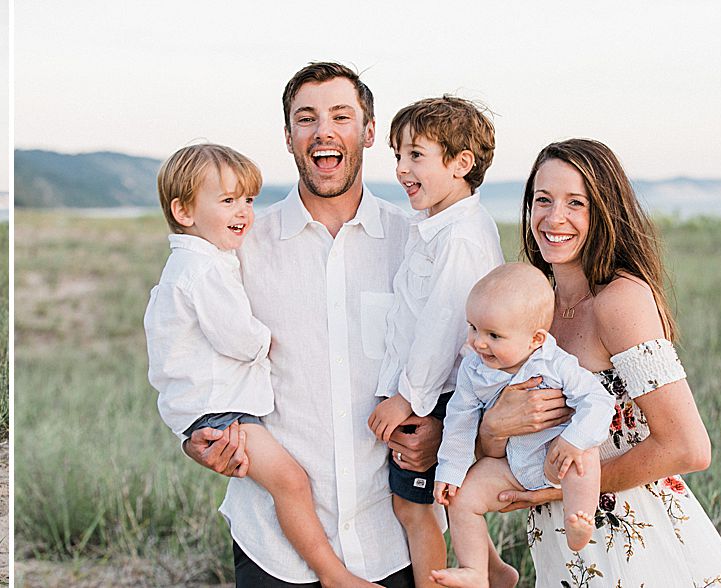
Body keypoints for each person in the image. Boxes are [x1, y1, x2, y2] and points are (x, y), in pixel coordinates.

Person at [183, 62, 515, 587]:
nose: (323, 131)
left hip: (393, 541)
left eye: (341, 116)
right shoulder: (240, 248)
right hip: (274, 543)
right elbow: (193, 357)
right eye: (306, 119)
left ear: (367, 131)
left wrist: (440, 429)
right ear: (289, 137)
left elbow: (478, 355)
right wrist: (197, 433)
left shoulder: (421, 240)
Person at [481, 139, 721, 585]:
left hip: (633, 537)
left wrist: (560, 489)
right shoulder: (531, 305)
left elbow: (688, 447)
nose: (554, 218)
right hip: (561, 546)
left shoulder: (620, 300)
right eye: (542, 200)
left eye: (575, 203)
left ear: (604, 212)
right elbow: (492, 444)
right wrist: (494, 426)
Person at [146, 143, 374, 587]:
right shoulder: (204, 270)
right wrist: (266, 338)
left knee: (287, 482)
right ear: (184, 210)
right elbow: (238, 337)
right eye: (227, 200)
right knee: (290, 481)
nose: (244, 212)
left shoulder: (200, 262)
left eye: (248, 200)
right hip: (222, 412)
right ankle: (333, 574)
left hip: (212, 409)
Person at [365, 95, 504, 588]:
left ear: (461, 164)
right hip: (435, 391)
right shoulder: (439, 227)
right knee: (447, 496)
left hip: (436, 395)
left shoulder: (459, 238)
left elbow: (443, 326)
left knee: (414, 508)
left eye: (416, 155)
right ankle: (497, 573)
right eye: (398, 155)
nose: (402, 169)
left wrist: (408, 398)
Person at [430, 263, 614, 587]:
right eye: (473, 328)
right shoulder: (475, 369)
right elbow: (459, 420)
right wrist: (449, 470)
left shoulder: (556, 364)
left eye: (493, 335)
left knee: (583, 459)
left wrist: (574, 439)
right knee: (461, 499)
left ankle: (578, 519)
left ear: (535, 339)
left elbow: (598, 400)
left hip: (556, 458)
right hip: (510, 466)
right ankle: (481, 570)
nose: (478, 343)